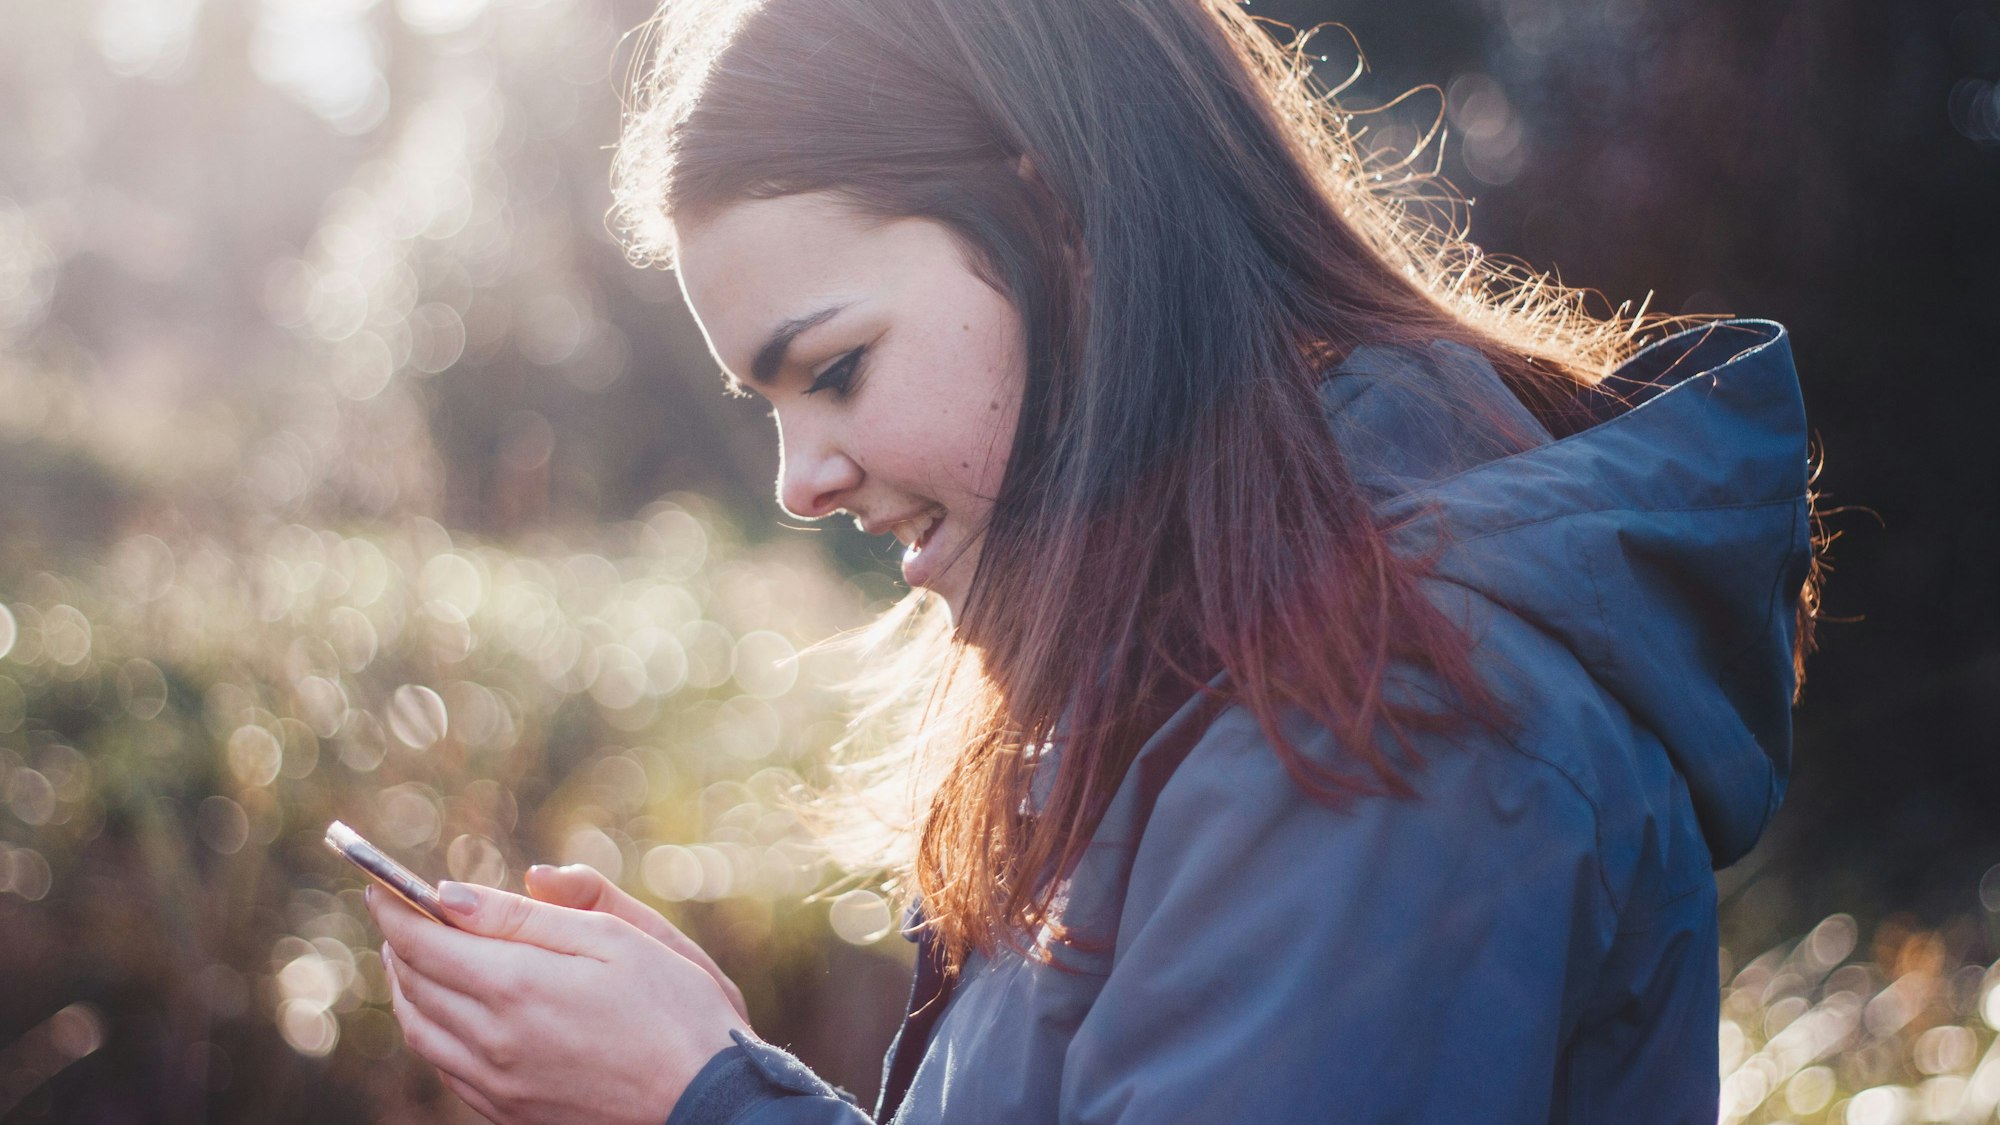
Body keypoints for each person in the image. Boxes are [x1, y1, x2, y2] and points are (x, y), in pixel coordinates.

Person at [365, 0, 1823, 1121]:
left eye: (836, 368)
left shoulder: (1391, 709)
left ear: (1059, 220)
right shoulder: (1218, 666)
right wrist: (715, 1068)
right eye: (772, 405)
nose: (799, 480)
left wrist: (699, 1098)